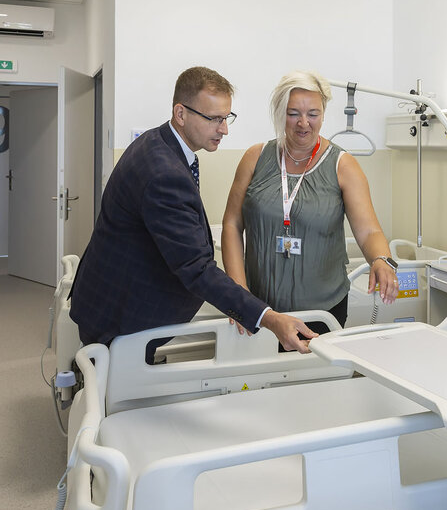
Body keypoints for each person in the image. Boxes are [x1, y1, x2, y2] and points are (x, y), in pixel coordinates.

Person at [70, 66, 316, 361]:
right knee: (113, 382)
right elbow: (196, 269)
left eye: (226, 117)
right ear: (181, 113)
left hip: (111, 297)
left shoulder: (157, 143)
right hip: (121, 315)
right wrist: (270, 319)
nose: (224, 129)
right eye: (214, 119)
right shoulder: (163, 173)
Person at [221, 70, 398, 337]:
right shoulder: (255, 158)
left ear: (323, 114)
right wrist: (239, 293)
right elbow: (232, 224)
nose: (303, 123)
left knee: (315, 365)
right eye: (293, 113)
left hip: (323, 311)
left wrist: (381, 260)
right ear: (280, 112)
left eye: (313, 114)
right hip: (259, 310)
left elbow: (369, 231)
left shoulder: (343, 165)